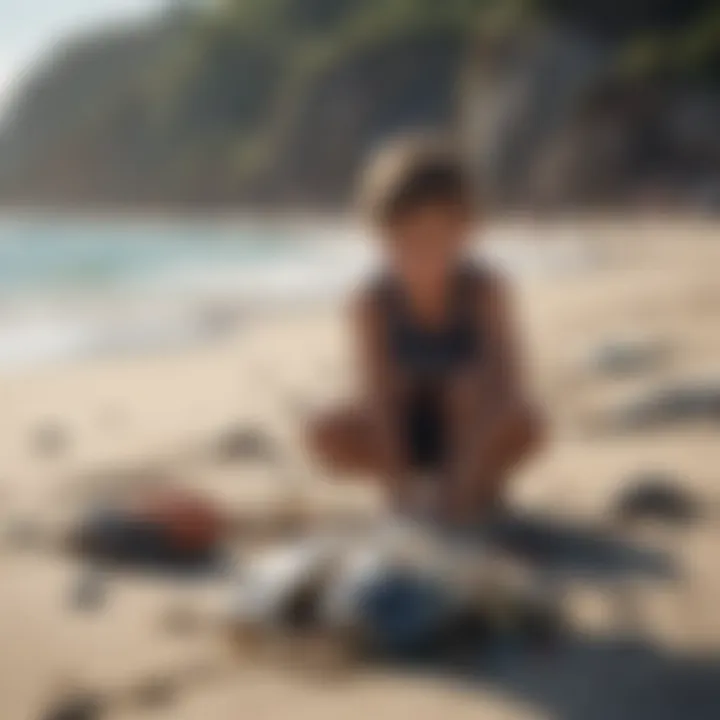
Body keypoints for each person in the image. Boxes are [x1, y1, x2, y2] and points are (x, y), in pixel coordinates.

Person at [309, 137, 545, 526]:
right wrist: (397, 493)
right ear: (382, 235)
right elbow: (377, 397)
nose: (423, 253)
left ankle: (475, 489)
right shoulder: (372, 302)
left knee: (512, 411)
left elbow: (506, 383)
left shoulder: (485, 291)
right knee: (325, 426)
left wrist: (460, 489)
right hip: (403, 430)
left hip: (475, 426)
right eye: (407, 239)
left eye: (438, 237)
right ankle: (415, 492)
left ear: (467, 231)